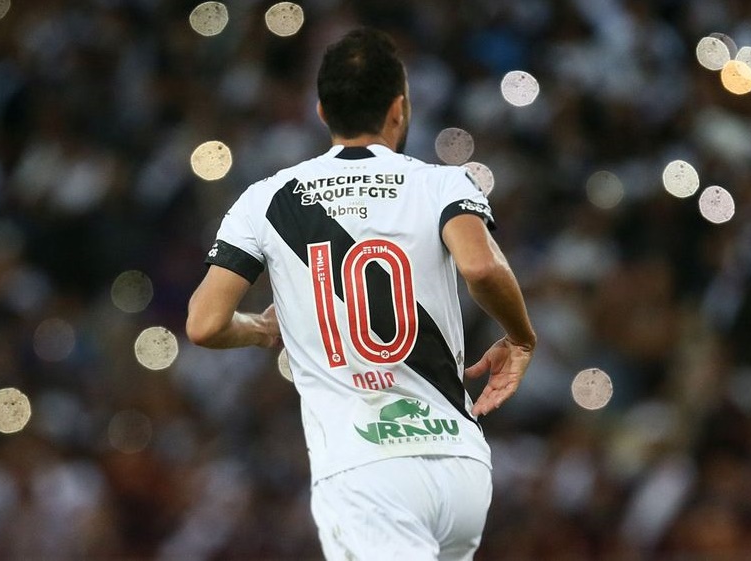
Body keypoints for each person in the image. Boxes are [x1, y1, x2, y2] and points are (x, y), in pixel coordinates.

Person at [184, 26, 536, 560]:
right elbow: (482, 266)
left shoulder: (267, 199)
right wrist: (521, 337)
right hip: (459, 464)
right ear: (399, 108)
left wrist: (259, 330)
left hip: (364, 468)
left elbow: (204, 324)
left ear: (322, 112)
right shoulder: (442, 183)